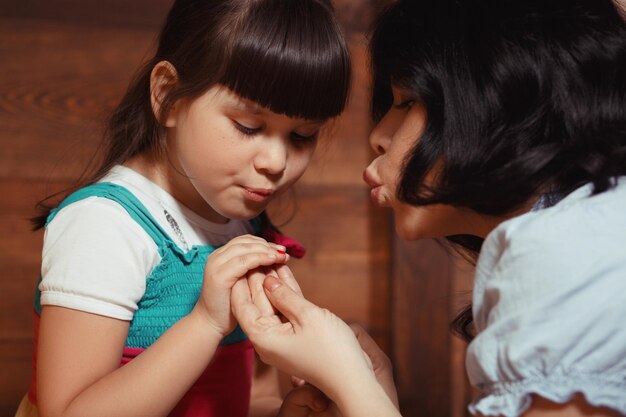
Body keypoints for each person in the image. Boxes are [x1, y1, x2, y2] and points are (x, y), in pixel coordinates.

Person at [231, 0, 626, 416]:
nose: (378, 137)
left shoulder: (568, 255)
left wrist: (348, 380)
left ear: (490, 96)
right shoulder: (590, 231)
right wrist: (370, 395)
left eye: (404, 103)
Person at [15, 0, 351, 416]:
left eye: (302, 136)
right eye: (249, 127)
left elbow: (251, 396)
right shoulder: (105, 225)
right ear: (169, 95)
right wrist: (205, 323)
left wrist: (283, 409)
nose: (277, 162)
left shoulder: (243, 223)